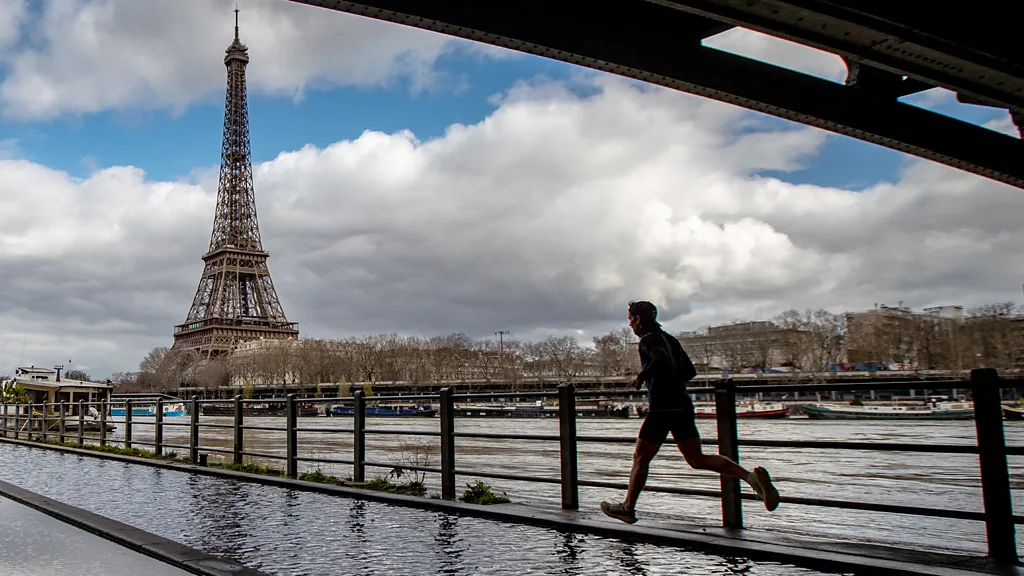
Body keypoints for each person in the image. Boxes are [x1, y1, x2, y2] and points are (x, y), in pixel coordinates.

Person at [600, 300, 779, 524]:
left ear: (637, 319)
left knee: (640, 457)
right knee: (696, 459)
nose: (629, 325)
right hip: (682, 405)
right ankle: (751, 479)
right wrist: (674, 383)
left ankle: (627, 508)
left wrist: (642, 377)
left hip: (662, 407)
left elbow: (660, 359)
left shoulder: (648, 339)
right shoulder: (671, 339)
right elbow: (690, 371)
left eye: (630, 320)